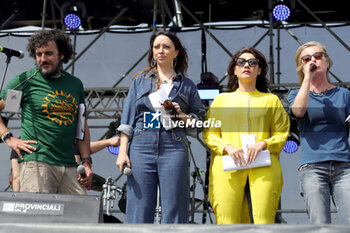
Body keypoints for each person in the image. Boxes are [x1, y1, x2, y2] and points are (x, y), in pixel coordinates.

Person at [116, 30, 206, 223]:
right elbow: (127, 121)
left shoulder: (187, 85)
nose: (161, 51)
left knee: (175, 208)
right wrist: (122, 152)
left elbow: (199, 121)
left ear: (176, 52)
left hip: (174, 147)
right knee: (139, 209)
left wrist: (181, 115)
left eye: (166, 47)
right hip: (141, 146)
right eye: (157, 47)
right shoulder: (139, 81)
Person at [203, 47, 290, 224]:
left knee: (264, 221)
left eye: (252, 62)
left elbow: (282, 132)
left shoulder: (271, 100)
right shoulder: (221, 100)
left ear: (259, 70)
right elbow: (209, 133)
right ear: (234, 70)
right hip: (228, 166)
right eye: (241, 62)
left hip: (264, 166)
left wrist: (263, 143)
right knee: (227, 222)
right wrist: (226, 147)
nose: (246, 65)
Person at [0, 29, 93, 194]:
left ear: (62, 55)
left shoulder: (75, 84)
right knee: (38, 218)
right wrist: (8, 137)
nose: (43, 59)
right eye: (38, 54)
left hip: (69, 164)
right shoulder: (25, 81)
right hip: (37, 163)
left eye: (48, 54)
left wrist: (86, 161)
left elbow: (81, 125)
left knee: (81, 215)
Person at [287, 41, 350, 224]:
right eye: (306, 59)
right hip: (313, 166)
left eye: (317, 56)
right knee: (319, 223)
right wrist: (307, 77)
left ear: (327, 62)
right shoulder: (295, 94)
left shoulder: (344, 94)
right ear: (302, 66)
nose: (313, 60)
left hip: (344, 165)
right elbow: (298, 111)